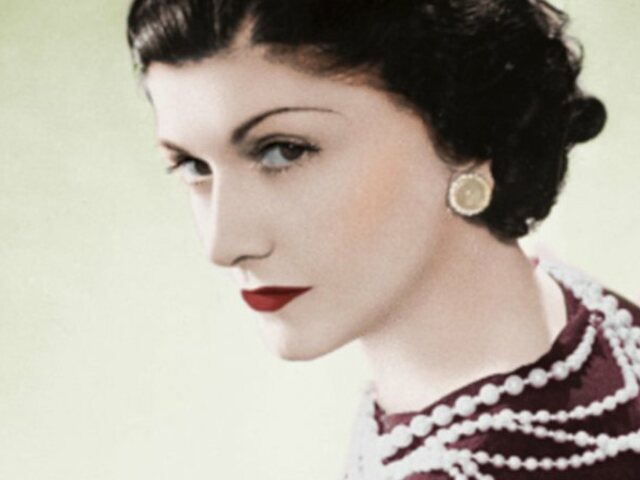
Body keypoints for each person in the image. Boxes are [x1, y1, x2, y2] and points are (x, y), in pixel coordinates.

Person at [125, 0, 640, 478]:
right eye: (192, 166)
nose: (223, 244)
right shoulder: (592, 319)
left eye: (283, 150)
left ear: (465, 132)